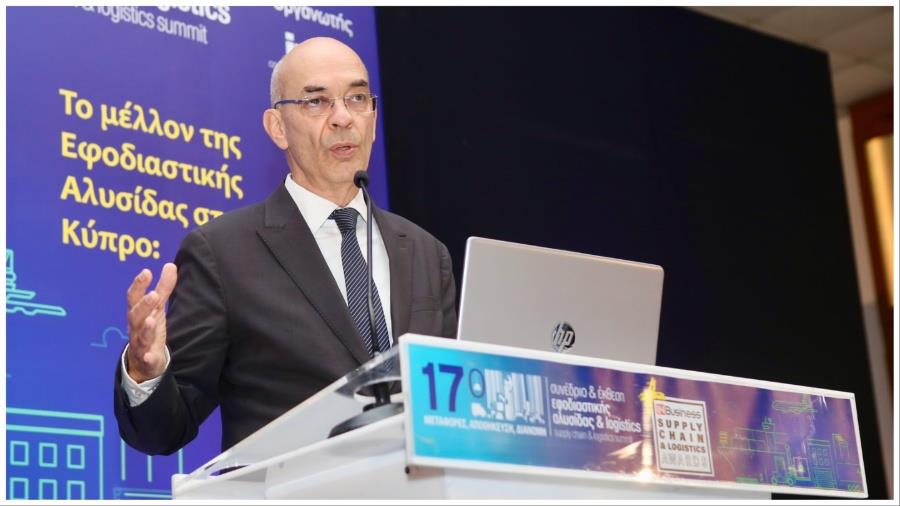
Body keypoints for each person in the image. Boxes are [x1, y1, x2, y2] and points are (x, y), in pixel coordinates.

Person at [114, 37, 457, 455]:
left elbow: (450, 399)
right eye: (317, 102)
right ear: (278, 127)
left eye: (357, 98)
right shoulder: (222, 252)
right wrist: (145, 371)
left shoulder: (425, 252)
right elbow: (165, 429)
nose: (343, 118)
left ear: (373, 114)